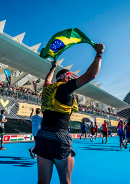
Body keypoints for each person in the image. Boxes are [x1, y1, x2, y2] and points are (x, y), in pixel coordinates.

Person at [33, 42, 104, 184]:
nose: (73, 80)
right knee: (65, 180)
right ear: (66, 78)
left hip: (42, 137)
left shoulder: (48, 89)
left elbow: (47, 80)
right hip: (58, 138)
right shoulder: (65, 89)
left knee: (42, 182)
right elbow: (91, 75)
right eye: (71, 78)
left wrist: (52, 69)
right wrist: (99, 53)